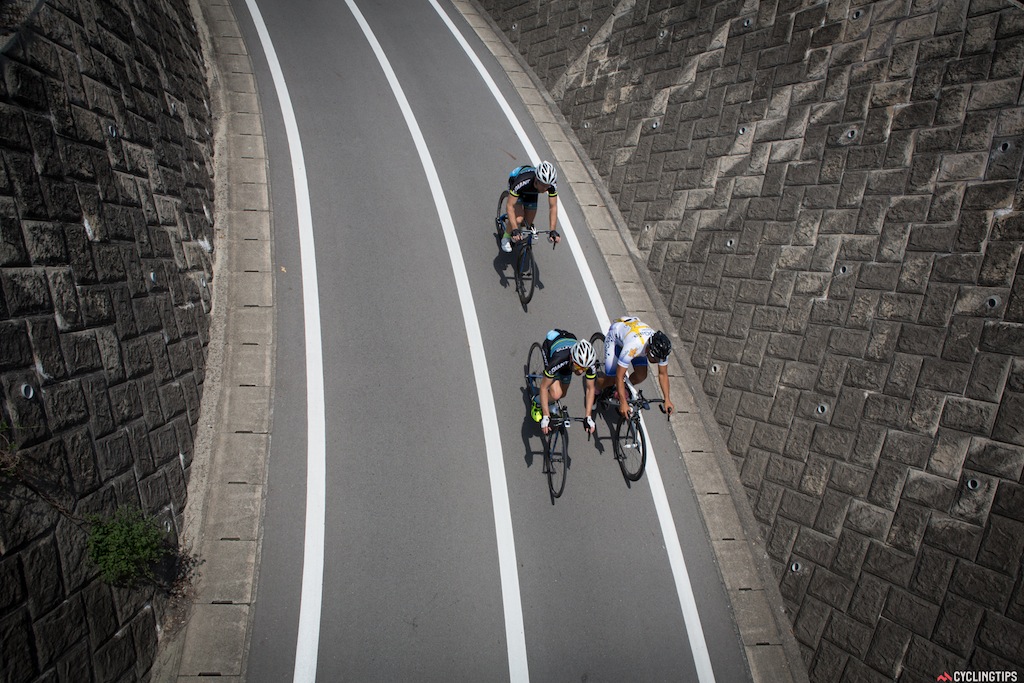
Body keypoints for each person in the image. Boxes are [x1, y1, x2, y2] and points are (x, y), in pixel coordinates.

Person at [596, 316, 675, 419]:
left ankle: (620, 389)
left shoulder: (662, 350)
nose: (657, 362)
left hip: (636, 338)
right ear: (649, 351)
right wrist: (623, 403)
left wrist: (667, 399)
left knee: (641, 375)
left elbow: (663, 374)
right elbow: (619, 376)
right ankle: (594, 388)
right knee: (612, 378)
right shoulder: (633, 346)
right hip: (616, 339)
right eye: (655, 359)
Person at [531, 330, 597, 435]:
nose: (580, 371)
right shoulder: (559, 360)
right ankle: (536, 401)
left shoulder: (589, 364)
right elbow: (543, 387)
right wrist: (546, 416)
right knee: (556, 394)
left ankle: (550, 401)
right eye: (579, 366)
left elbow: (590, 389)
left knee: (563, 393)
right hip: (551, 346)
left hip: (569, 344)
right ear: (572, 358)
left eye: (584, 369)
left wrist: (588, 417)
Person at [500, 161, 560, 253]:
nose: (545, 189)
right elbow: (510, 206)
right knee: (519, 218)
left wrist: (553, 230)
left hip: (532, 191)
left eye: (547, 186)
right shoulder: (523, 181)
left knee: (527, 223)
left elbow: (553, 207)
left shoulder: (551, 184)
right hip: (517, 183)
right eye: (543, 185)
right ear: (537, 179)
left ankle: (516, 226)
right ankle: (506, 237)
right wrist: (515, 229)